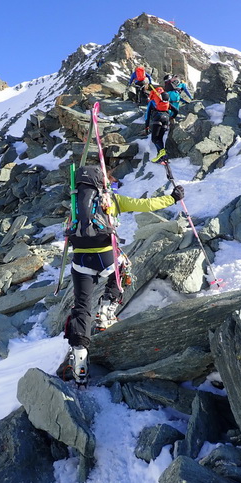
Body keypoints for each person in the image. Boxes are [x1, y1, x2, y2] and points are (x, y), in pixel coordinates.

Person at [63, 164, 184, 385]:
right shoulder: (112, 201)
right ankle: (106, 311)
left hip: (81, 260)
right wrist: (172, 198)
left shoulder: (74, 204)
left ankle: (80, 360)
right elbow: (146, 205)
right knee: (123, 269)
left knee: (81, 305)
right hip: (107, 257)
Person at [145, 87, 178, 163]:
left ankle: (163, 153)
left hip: (157, 119)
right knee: (159, 139)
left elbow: (147, 115)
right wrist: (172, 117)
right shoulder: (167, 103)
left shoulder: (153, 102)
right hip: (166, 120)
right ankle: (161, 156)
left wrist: (146, 127)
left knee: (154, 139)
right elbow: (176, 111)